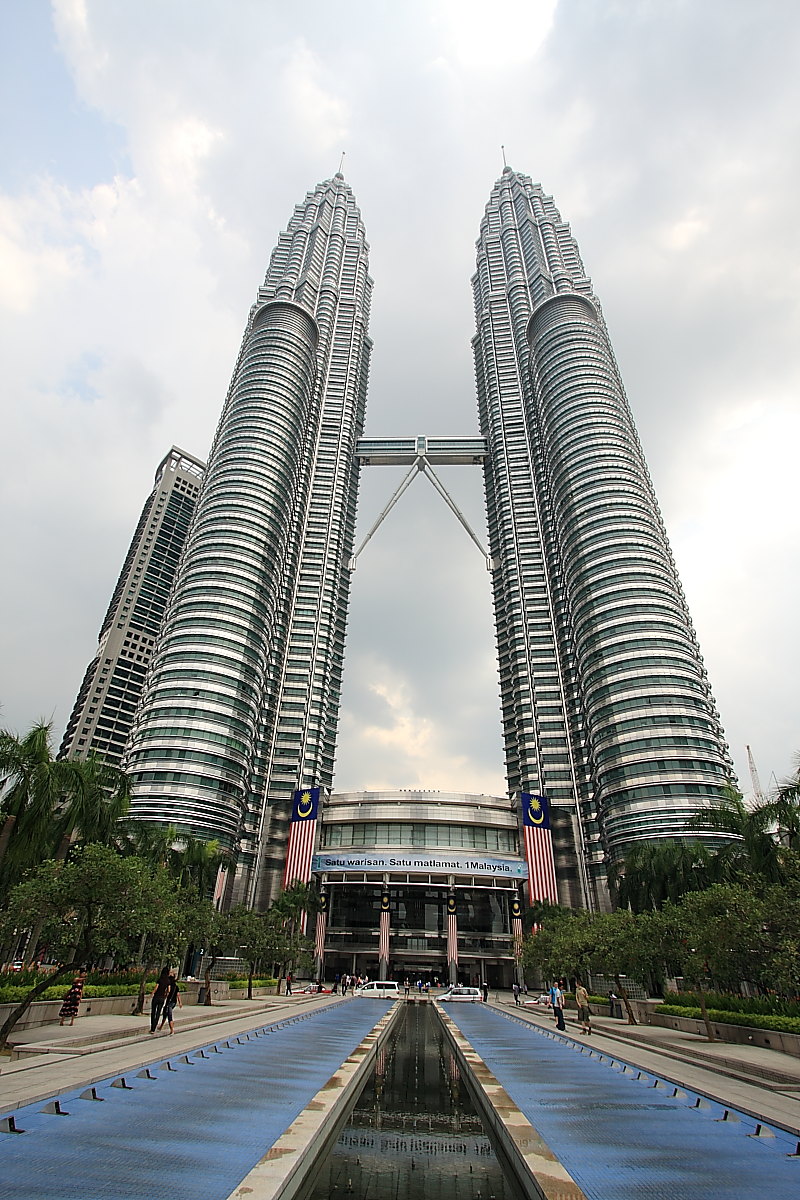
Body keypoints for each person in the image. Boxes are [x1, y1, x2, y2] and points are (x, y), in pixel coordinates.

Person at [150, 966, 172, 1034]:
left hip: (156, 997)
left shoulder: (160, 979)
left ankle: (152, 1028)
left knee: (153, 1012)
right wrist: (165, 995)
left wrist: (152, 994)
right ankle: (154, 1028)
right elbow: (169, 990)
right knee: (158, 1012)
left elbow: (156, 988)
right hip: (162, 998)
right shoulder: (168, 981)